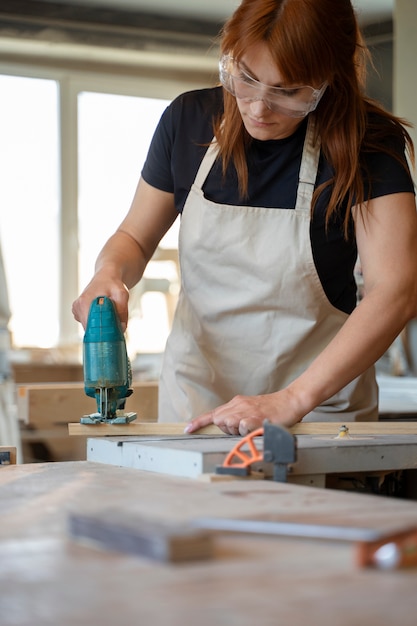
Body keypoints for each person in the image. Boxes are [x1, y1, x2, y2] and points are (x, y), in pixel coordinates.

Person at [72, 0, 417, 437]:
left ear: (329, 78)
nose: (257, 108)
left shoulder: (368, 142)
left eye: (288, 92)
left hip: (316, 410)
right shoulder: (188, 121)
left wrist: (292, 400)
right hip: (198, 403)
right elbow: (135, 239)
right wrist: (109, 273)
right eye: (246, 79)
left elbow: (396, 290)